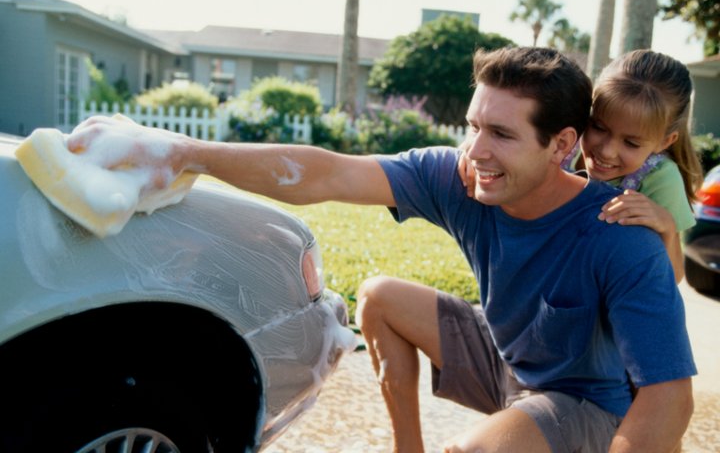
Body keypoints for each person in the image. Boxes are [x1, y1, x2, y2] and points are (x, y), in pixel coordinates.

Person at [67, 46, 696, 453]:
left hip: (580, 399)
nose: (475, 150)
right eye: (474, 125)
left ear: (561, 146)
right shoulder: (460, 176)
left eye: (501, 134)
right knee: (379, 296)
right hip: (508, 356)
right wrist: (186, 152)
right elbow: (327, 173)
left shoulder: (622, 238)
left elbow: (668, 397)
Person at [458, 49, 704, 283]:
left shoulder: (660, 178)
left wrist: (667, 228)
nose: (606, 150)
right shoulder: (567, 144)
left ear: (664, 141)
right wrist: (472, 156)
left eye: (631, 142)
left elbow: (672, 279)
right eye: (598, 127)